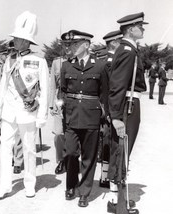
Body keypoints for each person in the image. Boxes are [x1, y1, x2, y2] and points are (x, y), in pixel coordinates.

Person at [0, 11, 49, 199]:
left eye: (18, 38)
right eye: (15, 38)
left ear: (26, 41)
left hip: (28, 112)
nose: (15, 41)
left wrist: (42, 115)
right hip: (9, 111)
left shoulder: (40, 61)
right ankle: (5, 185)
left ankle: (30, 183)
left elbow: (45, 89)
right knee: (5, 147)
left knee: (29, 148)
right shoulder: (10, 59)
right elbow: (2, 87)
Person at [60, 29, 108, 207]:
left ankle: (84, 192)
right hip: (72, 115)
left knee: (89, 156)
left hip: (91, 116)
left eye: (75, 44)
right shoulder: (67, 65)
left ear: (86, 45)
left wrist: (105, 116)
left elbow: (104, 93)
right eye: (70, 44)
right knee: (71, 153)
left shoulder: (100, 66)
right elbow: (63, 90)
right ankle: (71, 185)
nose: (71, 47)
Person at [107, 12, 148, 213]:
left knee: (121, 150)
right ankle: (119, 204)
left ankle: (116, 200)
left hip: (128, 104)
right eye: (141, 26)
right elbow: (116, 85)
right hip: (127, 106)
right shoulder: (127, 51)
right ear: (131, 29)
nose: (144, 29)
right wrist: (116, 117)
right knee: (121, 151)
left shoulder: (127, 49)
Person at [98, 30, 123, 188]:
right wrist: (109, 112)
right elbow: (107, 90)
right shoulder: (110, 61)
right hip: (109, 110)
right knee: (109, 142)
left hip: (108, 109)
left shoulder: (108, 60)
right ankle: (106, 177)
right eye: (120, 40)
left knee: (108, 142)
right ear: (113, 43)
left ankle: (105, 176)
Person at [49, 31, 74, 175]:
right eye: (65, 45)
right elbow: (53, 84)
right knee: (59, 134)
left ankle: (73, 160)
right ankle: (61, 160)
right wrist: (51, 105)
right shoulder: (56, 62)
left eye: (70, 44)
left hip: (76, 101)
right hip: (60, 100)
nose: (67, 47)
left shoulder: (79, 61)